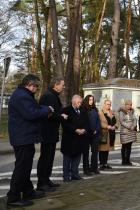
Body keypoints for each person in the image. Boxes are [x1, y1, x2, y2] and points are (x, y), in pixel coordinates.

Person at [7, 74, 53, 207]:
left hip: (24, 137)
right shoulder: (22, 96)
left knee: (25, 166)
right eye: (36, 86)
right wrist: (48, 109)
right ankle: (13, 197)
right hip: (23, 137)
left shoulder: (22, 94)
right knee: (22, 168)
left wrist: (43, 110)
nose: (36, 89)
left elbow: (33, 110)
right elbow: (31, 113)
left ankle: (28, 191)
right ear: (29, 84)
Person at [36, 77, 66, 192]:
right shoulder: (49, 96)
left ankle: (46, 180)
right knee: (45, 158)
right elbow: (48, 114)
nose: (64, 87)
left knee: (50, 157)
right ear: (56, 85)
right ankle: (41, 183)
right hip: (47, 132)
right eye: (62, 85)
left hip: (51, 132)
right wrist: (61, 116)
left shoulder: (53, 96)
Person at [61, 95, 90, 182]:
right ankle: (66, 176)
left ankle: (75, 174)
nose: (80, 104)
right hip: (69, 139)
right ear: (73, 101)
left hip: (80, 138)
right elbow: (65, 124)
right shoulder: (66, 110)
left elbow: (87, 122)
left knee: (77, 157)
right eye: (78, 102)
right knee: (67, 158)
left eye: (81, 102)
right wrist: (75, 130)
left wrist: (84, 130)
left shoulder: (83, 110)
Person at [81, 95, 101, 175]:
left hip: (95, 134)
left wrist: (97, 129)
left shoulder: (95, 109)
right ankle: (86, 169)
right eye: (89, 99)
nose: (91, 101)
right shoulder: (83, 109)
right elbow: (84, 122)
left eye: (92, 99)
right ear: (86, 100)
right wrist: (89, 130)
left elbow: (98, 121)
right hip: (87, 133)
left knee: (95, 152)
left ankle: (94, 168)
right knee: (86, 152)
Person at [99, 99, 117, 170]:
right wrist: (106, 126)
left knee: (107, 149)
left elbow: (116, 121)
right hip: (104, 133)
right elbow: (99, 122)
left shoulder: (112, 112)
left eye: (109, 104)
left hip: (111, 133)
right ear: (104, 104)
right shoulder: (100, 112)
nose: (108, 105)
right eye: (107, 104)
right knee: (102, 149)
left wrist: (115, 126)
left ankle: (105, 163)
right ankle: (101, 164)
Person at [119, 100, 137, 165]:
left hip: (131, 131)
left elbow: (135, 119)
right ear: (125, 105)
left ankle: (127, 160)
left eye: (130, 104)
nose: (129, 106)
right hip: (125, 131)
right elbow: (121, 121)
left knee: (129, 146)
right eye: (128, 104)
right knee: (124, 146)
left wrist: (133, 125)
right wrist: (128, 126)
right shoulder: (121, 112)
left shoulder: (132, 111)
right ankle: (123, 160)